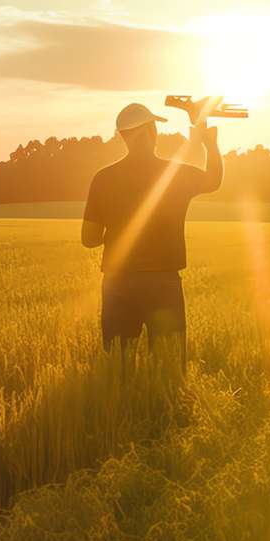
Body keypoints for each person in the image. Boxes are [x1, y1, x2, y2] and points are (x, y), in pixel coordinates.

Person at [81, 102, 223, 363]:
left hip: (117, 284)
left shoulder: (103, 178)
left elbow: (89, 240)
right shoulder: (175, 174)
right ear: (151, 132)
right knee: (167, 367)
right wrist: (209, 143)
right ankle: (163, 404)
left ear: (122, 136)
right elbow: (213, 180)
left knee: (118, 365)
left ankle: (123, 405)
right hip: (163, 283)